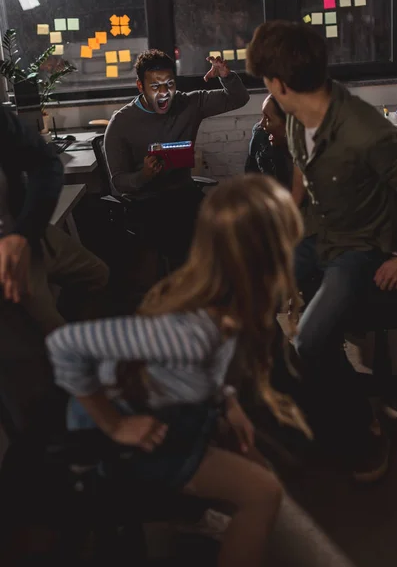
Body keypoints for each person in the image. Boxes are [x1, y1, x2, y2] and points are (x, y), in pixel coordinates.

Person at [46, 175, 315, 567]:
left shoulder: (226, 304)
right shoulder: (189, 333)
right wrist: (115, 426)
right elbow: (64, 345)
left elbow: (202, 372)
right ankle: (176, 503)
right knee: (264, 494)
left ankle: (185, 514)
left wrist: (227, 403)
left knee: (260, 467)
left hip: (169, 412)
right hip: (117, 435)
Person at [247, 20, 397, 483]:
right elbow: (300, 182)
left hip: (360, 246)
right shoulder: (296, 116)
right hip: (317, 234)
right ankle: (295, 411)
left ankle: (363, 427)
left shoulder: (368, 131)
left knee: (310, 341)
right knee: (251, 296)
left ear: (278, 83)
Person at [105, 49, 249, 270]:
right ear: (140, 86)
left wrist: (225, 76)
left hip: (183, 194)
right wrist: (143, 175)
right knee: (182, 248)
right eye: (155, 87)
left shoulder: (189, 104)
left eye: (170, 84)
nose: (164, 93)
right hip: (145, 203)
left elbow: (238, 98)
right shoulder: (121, 122)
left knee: (229, 235)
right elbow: (118, 181)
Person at [0, 105, 109, 337]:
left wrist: (24, 232)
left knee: (97, 275)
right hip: (6, 258)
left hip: (25, 229)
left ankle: (75, 340)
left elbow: (46, 163)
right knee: (47, 333)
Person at [245, 94, 305, 206]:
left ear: (288, 124)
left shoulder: (306, 148)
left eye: (268, 118)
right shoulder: (260, 135)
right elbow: (250, 179)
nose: (262, 123)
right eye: (262, 116)